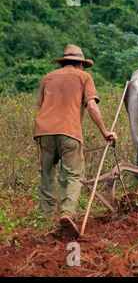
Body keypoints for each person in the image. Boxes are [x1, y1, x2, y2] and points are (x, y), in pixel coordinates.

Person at [33, 44, 118, 238]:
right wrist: (105, 132)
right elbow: (91, 107)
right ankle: (67, 214)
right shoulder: (84, 77)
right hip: (69, 132)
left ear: (64, 62)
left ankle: (43, 219)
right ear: (80, 64)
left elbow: (40, 108)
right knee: (72, 175)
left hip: (43, 132)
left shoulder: (47, 77)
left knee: (46, 173)